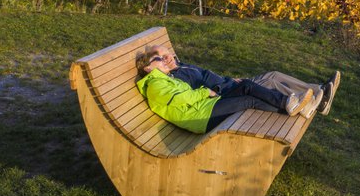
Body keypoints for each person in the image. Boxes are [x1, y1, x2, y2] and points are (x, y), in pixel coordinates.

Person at [135, 45, 340, 134]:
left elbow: (197, 83)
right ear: (148, 67)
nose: (165, 59)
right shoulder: (163, 81)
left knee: (263, 86)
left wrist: (224, 81)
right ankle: (299, 102)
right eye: (159, 58)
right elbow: (183, 97)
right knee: (256, 87)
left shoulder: (178, 69)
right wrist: (210, 91)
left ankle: (307, 100)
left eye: (166, 55)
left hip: (212, 100)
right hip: (208, 107)